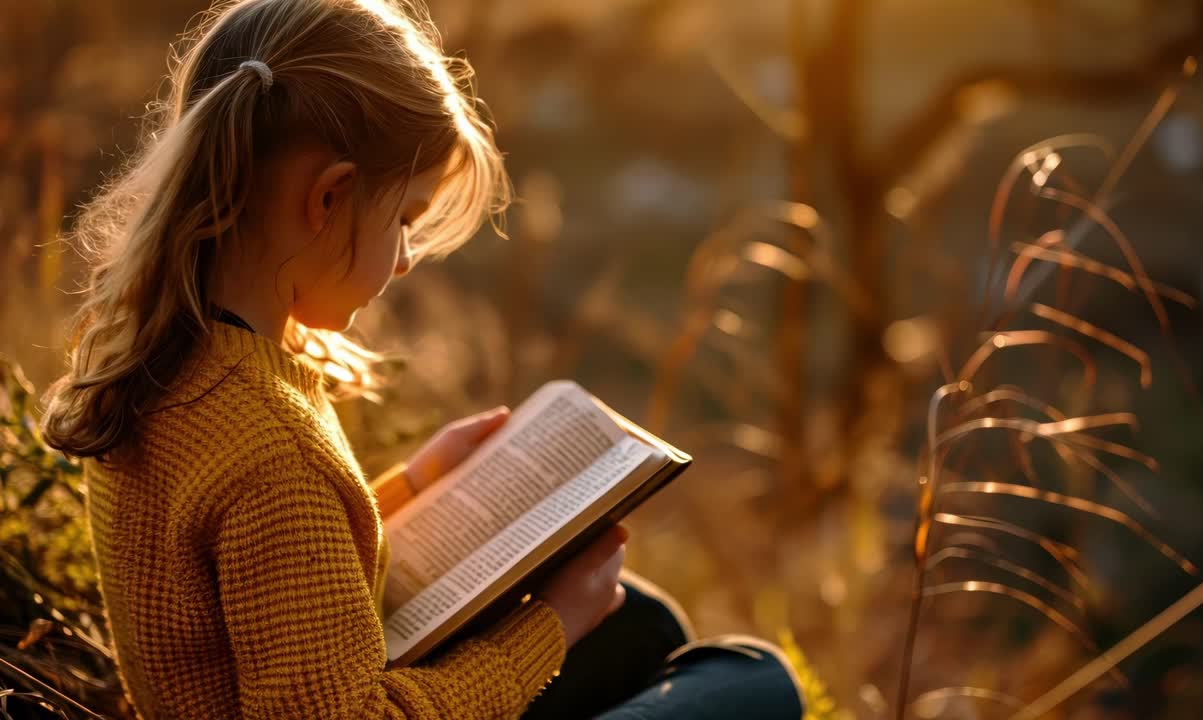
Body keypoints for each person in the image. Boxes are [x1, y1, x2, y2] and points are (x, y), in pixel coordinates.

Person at [39, 0, 806, 718]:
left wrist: (411, 487)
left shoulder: (171, 356)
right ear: (329, 197)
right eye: (404, 220)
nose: (406, 259)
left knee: (643, 622)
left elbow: (268, 583)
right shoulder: (274, 452)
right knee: (754, 680)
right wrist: (551, 627)